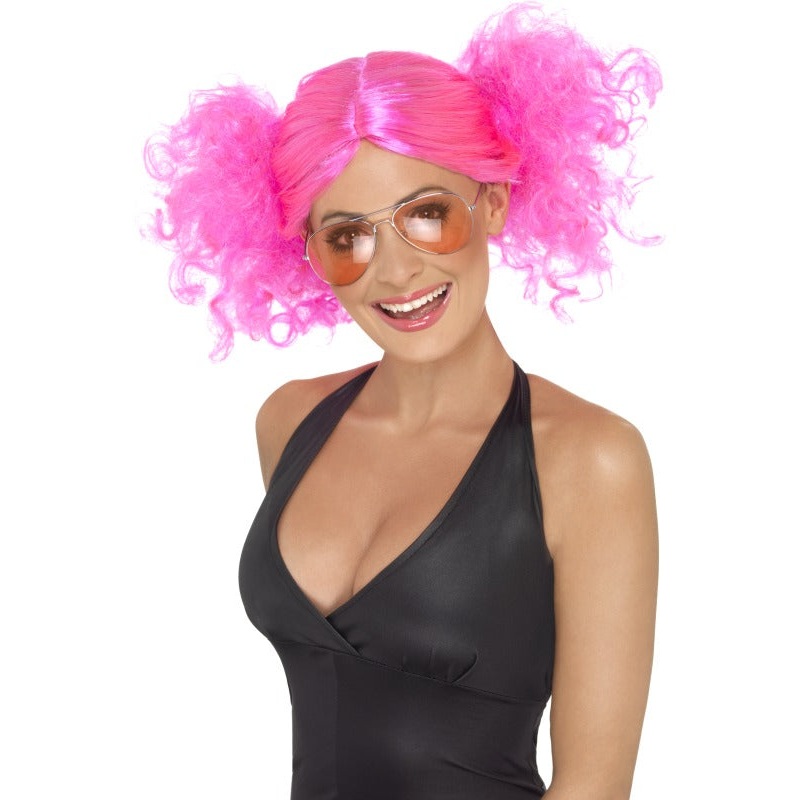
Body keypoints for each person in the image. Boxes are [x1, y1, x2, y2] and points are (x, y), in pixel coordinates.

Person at [145, 3, 660, 798]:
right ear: (308, 253)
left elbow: (595, 786)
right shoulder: (290, 421)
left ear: (493, 201)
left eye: (426, 215)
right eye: (347, 236)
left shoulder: (587, 458)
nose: (393, 271)